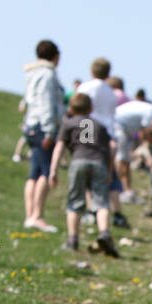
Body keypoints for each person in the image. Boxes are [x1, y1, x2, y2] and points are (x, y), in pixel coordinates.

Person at [48, 92, 119, 256]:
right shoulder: (99, 125)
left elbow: (59, 147)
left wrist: (53, 170)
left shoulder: (68, 123)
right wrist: (109, 171)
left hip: (78, 161)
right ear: (91, 109)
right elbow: (113, 146)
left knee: (75, 201)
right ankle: (104, 233)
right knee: (101, 202)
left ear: (71, 109)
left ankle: (73, 240)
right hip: (99, 162)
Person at [78, 59, 128, 227]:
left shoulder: (85, 87)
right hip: (107, 133)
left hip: (87, 127)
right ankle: (117, 213)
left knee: (87, 169)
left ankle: (91, 210)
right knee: (109, 172)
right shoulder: (111, 93)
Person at [22, 39, 65, 232]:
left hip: (31, 124)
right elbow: (47, 103)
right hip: (42, 126)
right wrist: (49, 130)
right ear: (55, 56)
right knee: (45, 172)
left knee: (34, 172)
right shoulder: (48, 75)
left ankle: (30, 215)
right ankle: (36, 215)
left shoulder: (31, 73)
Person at [114, 91, 152, 200]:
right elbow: (146, 132)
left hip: (124, 130)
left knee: (126, 160)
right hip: (118, 128)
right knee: (122, 160)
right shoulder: (151, 111)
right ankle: (119, 189)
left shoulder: (148, 108)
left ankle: (126, 189)